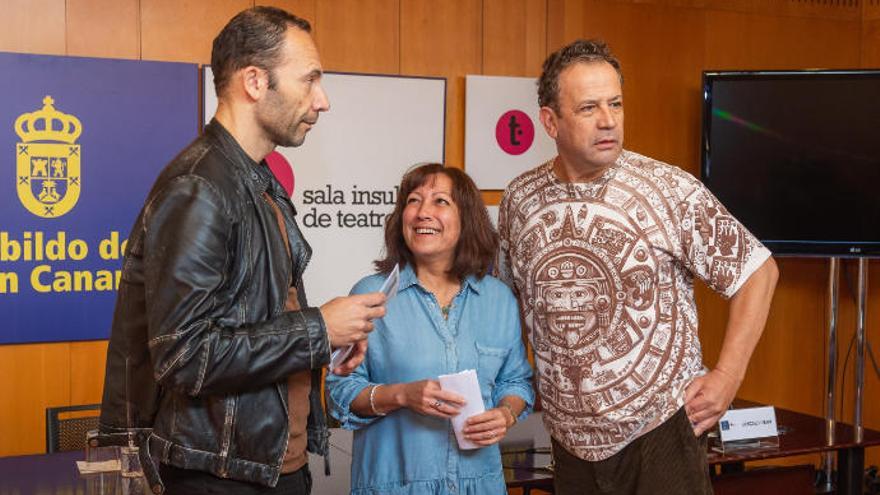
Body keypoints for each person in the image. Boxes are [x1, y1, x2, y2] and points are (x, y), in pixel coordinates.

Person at [97, 7, 386, 495]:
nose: (323, 100)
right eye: (310, 80)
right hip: (220, 477)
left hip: (270, 467)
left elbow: (257, 320)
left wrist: (327, 339)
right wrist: (319, 328)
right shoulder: (199, 188)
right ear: (255, 81)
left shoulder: (258, 180)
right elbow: (186, 355)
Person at [495, 39, 779, 495]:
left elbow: (757, 272)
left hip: (662, 429)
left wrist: (728, 376)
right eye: (588, 108)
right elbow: (504, 300)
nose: (608, 120)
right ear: (550, 120)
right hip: (569, 441)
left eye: (616, 104)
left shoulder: (670, 189)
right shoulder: (520, 201)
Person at [326, 163, 535, 494]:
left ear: (467, 218)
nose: (423, 212)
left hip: (480, 484)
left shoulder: (498, 299)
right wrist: (401, 395)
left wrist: (506, 413)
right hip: (394, 485)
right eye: (413, 200)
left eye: (440, 201)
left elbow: (516, 381)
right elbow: (339, 392)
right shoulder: (371, 296)